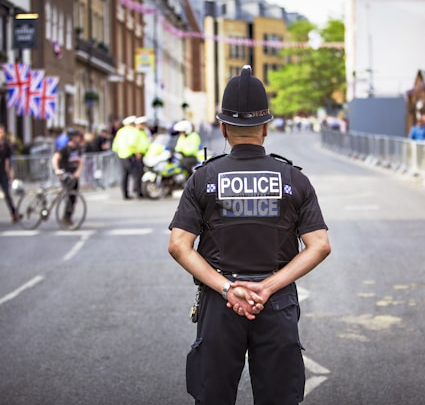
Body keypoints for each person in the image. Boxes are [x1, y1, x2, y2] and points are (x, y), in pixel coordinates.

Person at [168, 65, 331, 405]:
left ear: (223, 127)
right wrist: (268, 287)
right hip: (276, 302)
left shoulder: (203, 179)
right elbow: (319, 245)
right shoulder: (293, 179)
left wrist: (230, 288)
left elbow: (179, 245)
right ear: (266, 128)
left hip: (220, 301)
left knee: (213, 397)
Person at [51, 128, 83, 226]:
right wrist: (57, 170)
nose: (78, 138)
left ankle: (68, 217)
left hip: (74, 176)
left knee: (74, 197)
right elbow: (55, 158)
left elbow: (80, 161)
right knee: (69, 196)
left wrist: (78, 171)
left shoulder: (77, 149)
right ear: (71, 138)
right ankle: (66, 217)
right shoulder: (65, 149)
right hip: (66, 175)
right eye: (76, 137)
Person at [112, 115, 143, 199]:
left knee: (124, 175)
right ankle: (138, 192)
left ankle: (125, 194)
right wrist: (137, 153)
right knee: (137, 174)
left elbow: (115, 146)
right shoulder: (133, 131)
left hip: (121, 156)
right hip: (131, 156)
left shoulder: (120, 132)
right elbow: (132, 143)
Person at [0, 124, 20, 222]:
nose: (1, 134)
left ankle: (14, 213)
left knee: (7, 194)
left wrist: (10, 172)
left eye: (2, 132)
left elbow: (7, 160)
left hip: (2, 171)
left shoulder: (6, 145)